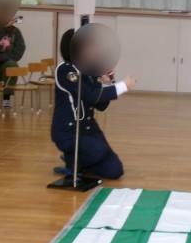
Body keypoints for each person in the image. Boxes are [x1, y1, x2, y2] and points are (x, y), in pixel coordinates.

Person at [51, 29, 136, 179]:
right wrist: (124, 86)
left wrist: (106, 83)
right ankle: (73, 160)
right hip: (69, 132)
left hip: (88, 129)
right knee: (98, 151)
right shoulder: (65, 70)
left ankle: (79, 161)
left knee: (115, 171)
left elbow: (101, 105)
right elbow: (90, 95)